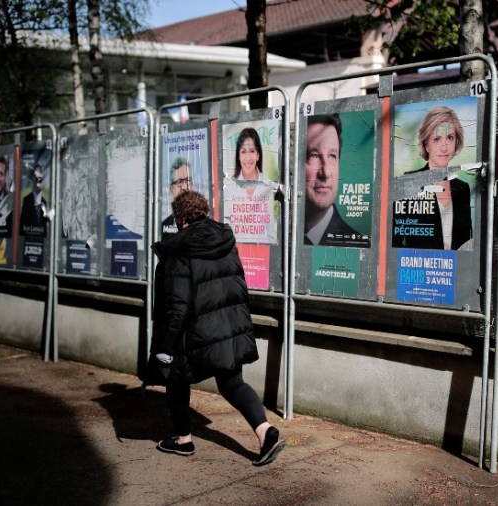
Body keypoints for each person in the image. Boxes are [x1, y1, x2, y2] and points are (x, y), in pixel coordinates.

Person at [151, 189, 285, 467]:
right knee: (232, 381)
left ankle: (183, 440)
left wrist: (165, 344)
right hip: (229, 326)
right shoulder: (225, 239)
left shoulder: (180, 248)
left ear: (180, 217)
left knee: (176, 378)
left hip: (194, 330)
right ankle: (265, 432)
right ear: (203, 211)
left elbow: (178, 304)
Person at [398, 105, 472, 250]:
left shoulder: (462, 188)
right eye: (437, 139)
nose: (444, 147)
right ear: (426, 145)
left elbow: (467, 241)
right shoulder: (409, 183)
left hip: (454, 270)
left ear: (456, 141)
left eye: (450, 137)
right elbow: (395, 240)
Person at [303, 113, 367, 247]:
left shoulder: (359, 245)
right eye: (313, 155)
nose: (325, 172)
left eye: (332, 156)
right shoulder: (281, 235)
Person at [161, 158, 192, 240]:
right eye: (180, 182)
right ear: (171, 189)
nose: (185, 187)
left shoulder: (203, 224)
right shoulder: (163, 227)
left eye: (188, 180)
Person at [20, 163, 48, 236]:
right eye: (35, 177)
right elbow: (22, 226)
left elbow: (44, 229)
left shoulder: (44, 202)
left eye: (39, 178)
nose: (37, 180)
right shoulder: (26, 200)